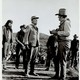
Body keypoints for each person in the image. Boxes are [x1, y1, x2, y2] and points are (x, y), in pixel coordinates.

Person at [50, 8, 71, 80]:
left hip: (64, 43)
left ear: (62, 16)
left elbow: (67, 33)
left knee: (62, 61)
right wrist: (55, 31)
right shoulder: (63, 23)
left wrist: (57, 32)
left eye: (59, 16)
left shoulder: (66, 22)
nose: (58, 17)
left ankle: (62, 77)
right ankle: (57, 75)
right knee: (57, 60)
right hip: (61, 43)